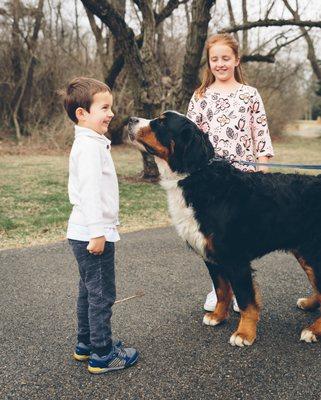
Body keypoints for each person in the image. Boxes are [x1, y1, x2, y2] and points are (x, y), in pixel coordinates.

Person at [187, 33, 274, 314]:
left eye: (226, 58)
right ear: (209, 63)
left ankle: (241, 290)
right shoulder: (201, 96)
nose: (221, 64)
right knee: (211, 238)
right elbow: (189, 139)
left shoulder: (249, 94)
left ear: (236, 60)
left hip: (243, 179)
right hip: (209, 181)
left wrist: (263, 168)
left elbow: (260, 133)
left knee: (237, 237)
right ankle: (218, 289)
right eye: (215, 59)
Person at [63, 76, 138, 374]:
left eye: (111, 107)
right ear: (82, 113)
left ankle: (87, 344)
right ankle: (103, 353)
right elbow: (91, 193)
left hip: (82, 232)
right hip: (92, 234)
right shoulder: (90, 147)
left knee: (88, 290)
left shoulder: (89, 142)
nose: (111, 113)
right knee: (101, 294)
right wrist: (98, 233)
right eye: (104, 108)